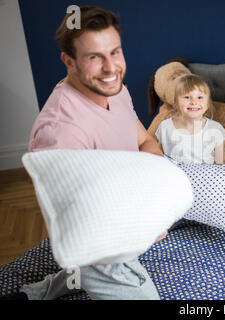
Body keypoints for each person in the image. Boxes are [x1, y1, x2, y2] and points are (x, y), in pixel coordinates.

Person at [13, 6, 165, 300]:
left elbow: (146, 141)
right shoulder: (61, 131)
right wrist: (142, 223)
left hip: (124, 216)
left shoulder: (114, 89)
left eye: (115, 52)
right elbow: (80, 224)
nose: (111, 68)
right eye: (95, 57)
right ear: (68, 61)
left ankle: (35, 294)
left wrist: (153, 200)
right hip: (99, 241)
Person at [155, 73, 225, 175]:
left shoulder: (216, 129)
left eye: (200, 97)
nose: (193, 102)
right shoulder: (165, 126)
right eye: (187, 97)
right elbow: (157, 157)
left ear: (207, 105)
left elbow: (221, 163)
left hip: (203, 181)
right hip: (174, 179)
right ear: (176, 103)